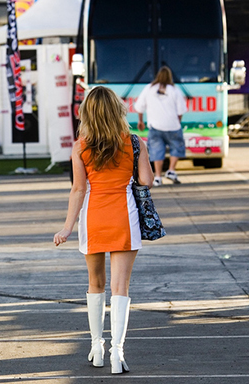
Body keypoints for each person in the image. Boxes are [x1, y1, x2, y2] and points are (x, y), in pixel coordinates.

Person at [53, 86, 154, 375]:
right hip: (124, 217)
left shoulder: (80, 146)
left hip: (93, 217)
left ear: (88, 114)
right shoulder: (134, 142)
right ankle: (117, 354)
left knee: (95, 284)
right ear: (117, 110)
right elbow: (146, 180)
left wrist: (67, 227)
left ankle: (97, 347)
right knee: (120, 288)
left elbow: (78, 189)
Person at [135, 66, 187, 186]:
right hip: (173, 126)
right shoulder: (174, 90)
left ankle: (158, 177)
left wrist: (140, 121)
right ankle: (171, 170)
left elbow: (139, 106)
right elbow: (180, 111)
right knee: (176, 148)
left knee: (156, 151)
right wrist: (177, 122)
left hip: (155, 126)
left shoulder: (149, 88)